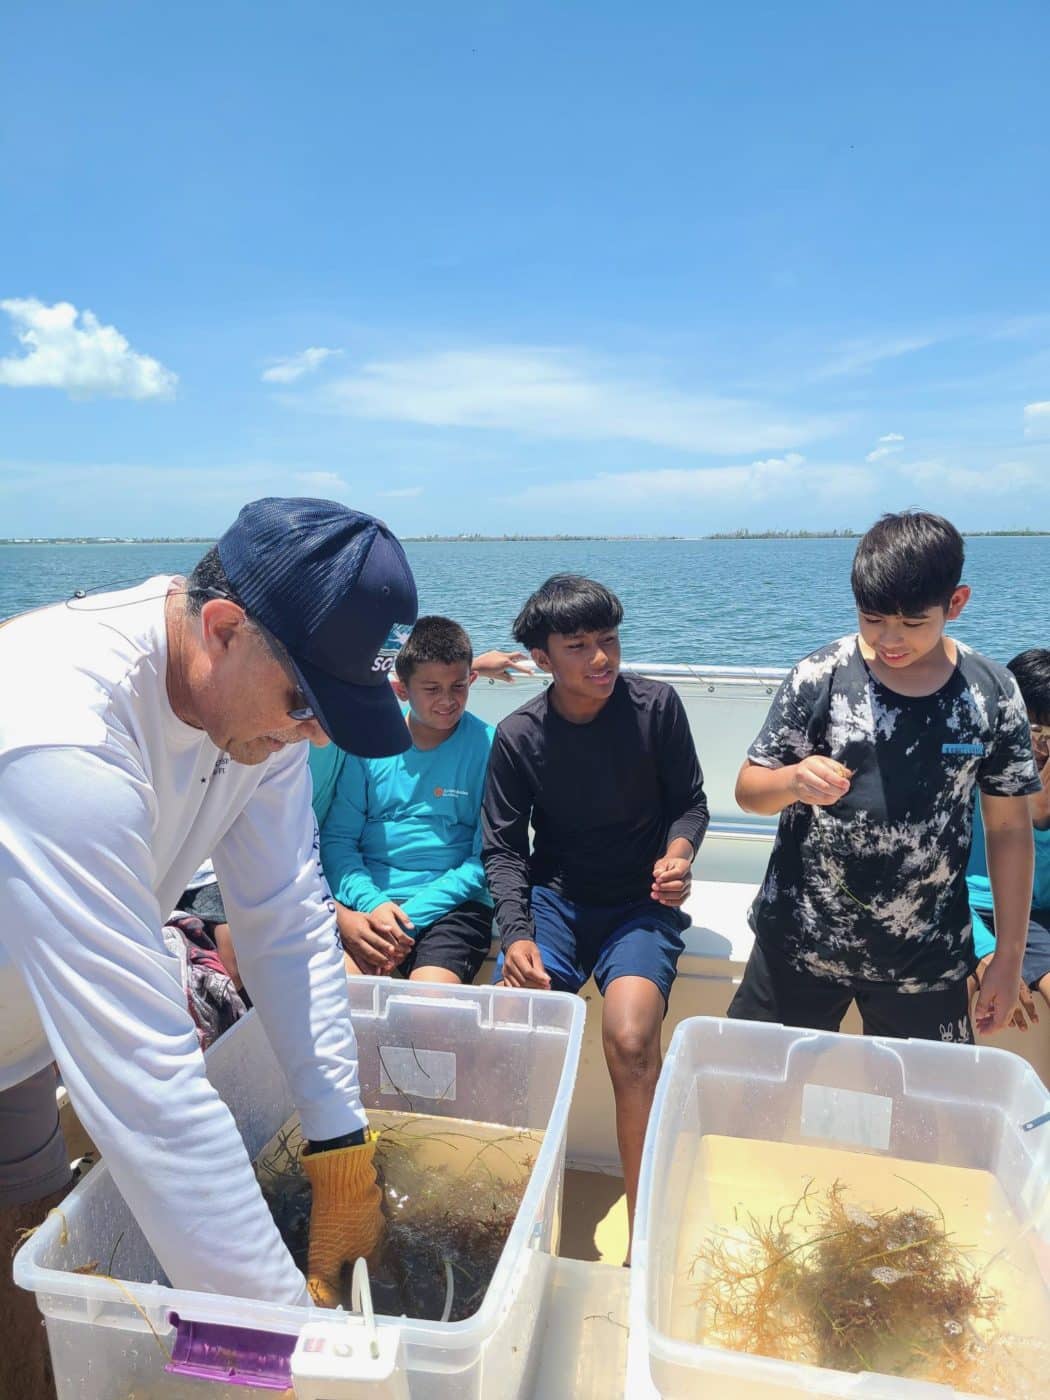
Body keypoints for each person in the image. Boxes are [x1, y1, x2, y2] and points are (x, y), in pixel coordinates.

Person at [0, 498, 417, 1400]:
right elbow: (145, 1086)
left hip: (21, 1028)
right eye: (306, 704)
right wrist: (298, 1353)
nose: (312, 735)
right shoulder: (62, 734)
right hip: (48, 1000)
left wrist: (340, 1147)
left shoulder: (260, 706)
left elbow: (286, 917)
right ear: (223, 628)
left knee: (24, 1277)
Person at [731, 511, 1040, 1045]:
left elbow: (1009, 829)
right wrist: (794, 781)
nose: (890, 639)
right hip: (799, 943)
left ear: (956, 604)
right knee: (751, 1083)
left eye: (913, 623)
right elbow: (748, 791)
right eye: (872, 619)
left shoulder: (992, 692)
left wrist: (1008, 959)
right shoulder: (820, 676)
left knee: (927, 1098)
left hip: (927, 961)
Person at [481, 575, 709, 1250]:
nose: (601, 658)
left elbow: (690, 803)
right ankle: (511, 1227)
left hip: (641, 904)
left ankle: (644, 1241)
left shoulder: (656, 708)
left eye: (608, 640)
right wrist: (515, 934)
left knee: (632, 1040)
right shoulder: (519, 735)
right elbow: (504, 848)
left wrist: (678, 857)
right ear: (542, 658)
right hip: (556, 903)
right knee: (512, 1026)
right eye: (578, 646)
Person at [319, 616, 496, 985]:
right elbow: (339, 841)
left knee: (429, 1002)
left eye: (458, 686)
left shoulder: (490, 746)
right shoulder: (368, 745)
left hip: (453, 907)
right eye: (431, 689)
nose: (447, 700)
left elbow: (486, 857)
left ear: (472, 680)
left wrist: (407, 917)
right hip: (369, 905)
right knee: (344, 993)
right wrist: (373, 905)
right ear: (401, 690)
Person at [967, 648, 1050, 1022]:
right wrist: (987, 952)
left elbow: (1040, 897)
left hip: (1032, 916)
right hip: (964, 906)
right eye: (1033, 731)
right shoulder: (970, 770)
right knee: (948, 993)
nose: (1042, 747)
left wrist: (1040, 821)